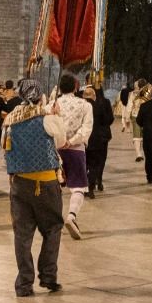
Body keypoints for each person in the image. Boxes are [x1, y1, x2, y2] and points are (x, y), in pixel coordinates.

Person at [2, 79, 68, 296]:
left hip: (19, 183)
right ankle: (48, 276)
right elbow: (60, 142)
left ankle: (24, 283)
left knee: (22, 234)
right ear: (40, 96)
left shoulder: (10, 119)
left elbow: (5, 147)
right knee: (53, 228)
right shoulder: (46, 119)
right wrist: (57, 116)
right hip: (46, 182)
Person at [50, 74, 93, 239]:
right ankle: (71, 216)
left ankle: (55, 221)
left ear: (59, 88)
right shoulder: (85, 105)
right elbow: (86, 128)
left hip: (54, 151)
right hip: (75, 150)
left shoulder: (52, 105)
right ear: (76, 87)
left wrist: (59, 141)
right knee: (78, 187)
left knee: (54, 188)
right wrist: (72, 141)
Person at [85, 85, 112, 195]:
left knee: (86, 162)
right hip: (100, 137)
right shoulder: (103, 104)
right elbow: (109, 119)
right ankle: (96, 182)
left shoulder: (82, 105)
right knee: (98, 161)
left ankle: (87, 184)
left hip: (85, 138)